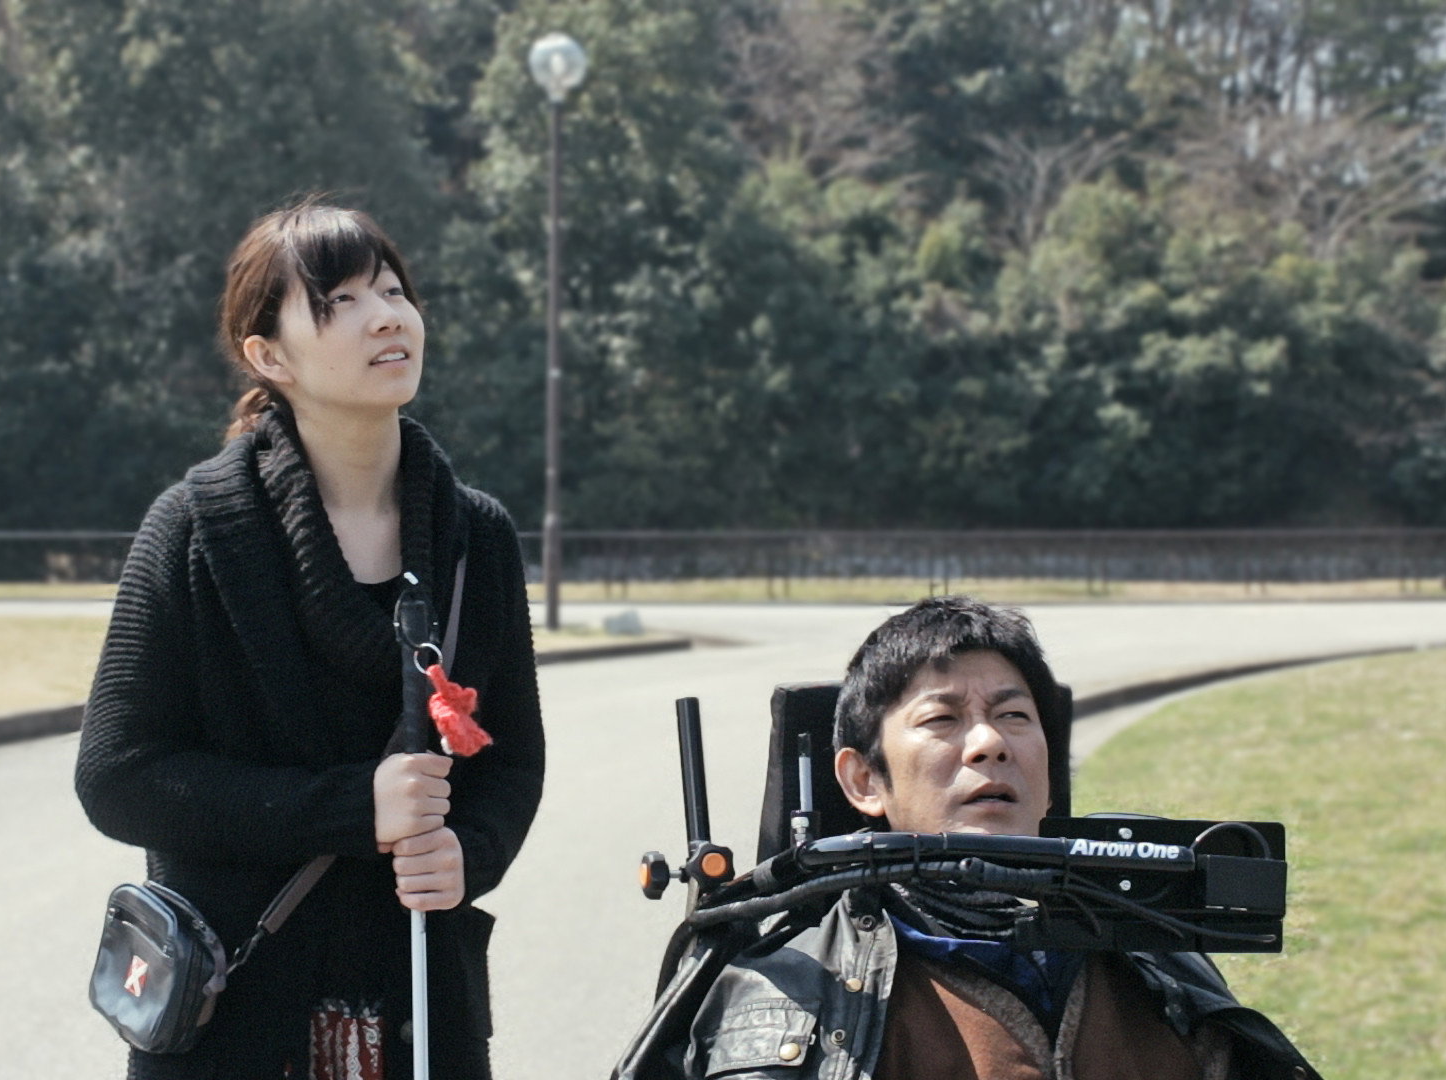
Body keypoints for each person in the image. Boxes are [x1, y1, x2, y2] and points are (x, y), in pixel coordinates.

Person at [77, 196, 544, 1080]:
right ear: (269, 355)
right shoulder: (194, 531)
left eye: (394, 292)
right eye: (339, 303)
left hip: (421, 1011)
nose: (387, 317)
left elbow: (513, 760)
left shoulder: (475, 537)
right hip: (232, 1016)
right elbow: (117, 776)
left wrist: (469, 853)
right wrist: (353, 807)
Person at [613, 596, 1319, 1080]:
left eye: (1014, 716)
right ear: (864, 780)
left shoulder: (1160, 961)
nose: (989, 743)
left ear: (1050, 768)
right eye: (942, 720)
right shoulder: (787, 994)